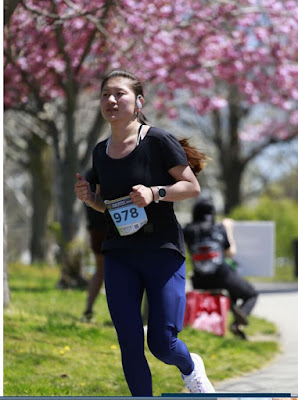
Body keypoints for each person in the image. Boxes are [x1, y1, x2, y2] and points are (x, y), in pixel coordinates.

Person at [74, 69, 215, 395]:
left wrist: (156, 193)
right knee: (129, 342)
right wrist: (91, 199)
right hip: (120, 254)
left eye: (119, 94)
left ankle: (191, 368)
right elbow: (111, 206)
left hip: (161, 250)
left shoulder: (157, 141)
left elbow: (190, 187)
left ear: (138, 102)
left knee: (162, 343)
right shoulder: (100, 151)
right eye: (105, 94)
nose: (110, 100)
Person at [183, 197, 258, 340]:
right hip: (223, 277)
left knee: (232, 293)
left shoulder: (188, 230)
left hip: (199, 281)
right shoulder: (218, 228)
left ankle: (232, 314)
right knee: (251, 294)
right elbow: (230, 253)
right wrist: (228, 229)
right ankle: (237, 322)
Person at [80, 169, 106, 323]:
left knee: (100, 272)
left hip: (95, 230)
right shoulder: (113, 169)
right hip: (111, 228)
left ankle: (88, 309)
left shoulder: (89, 175)